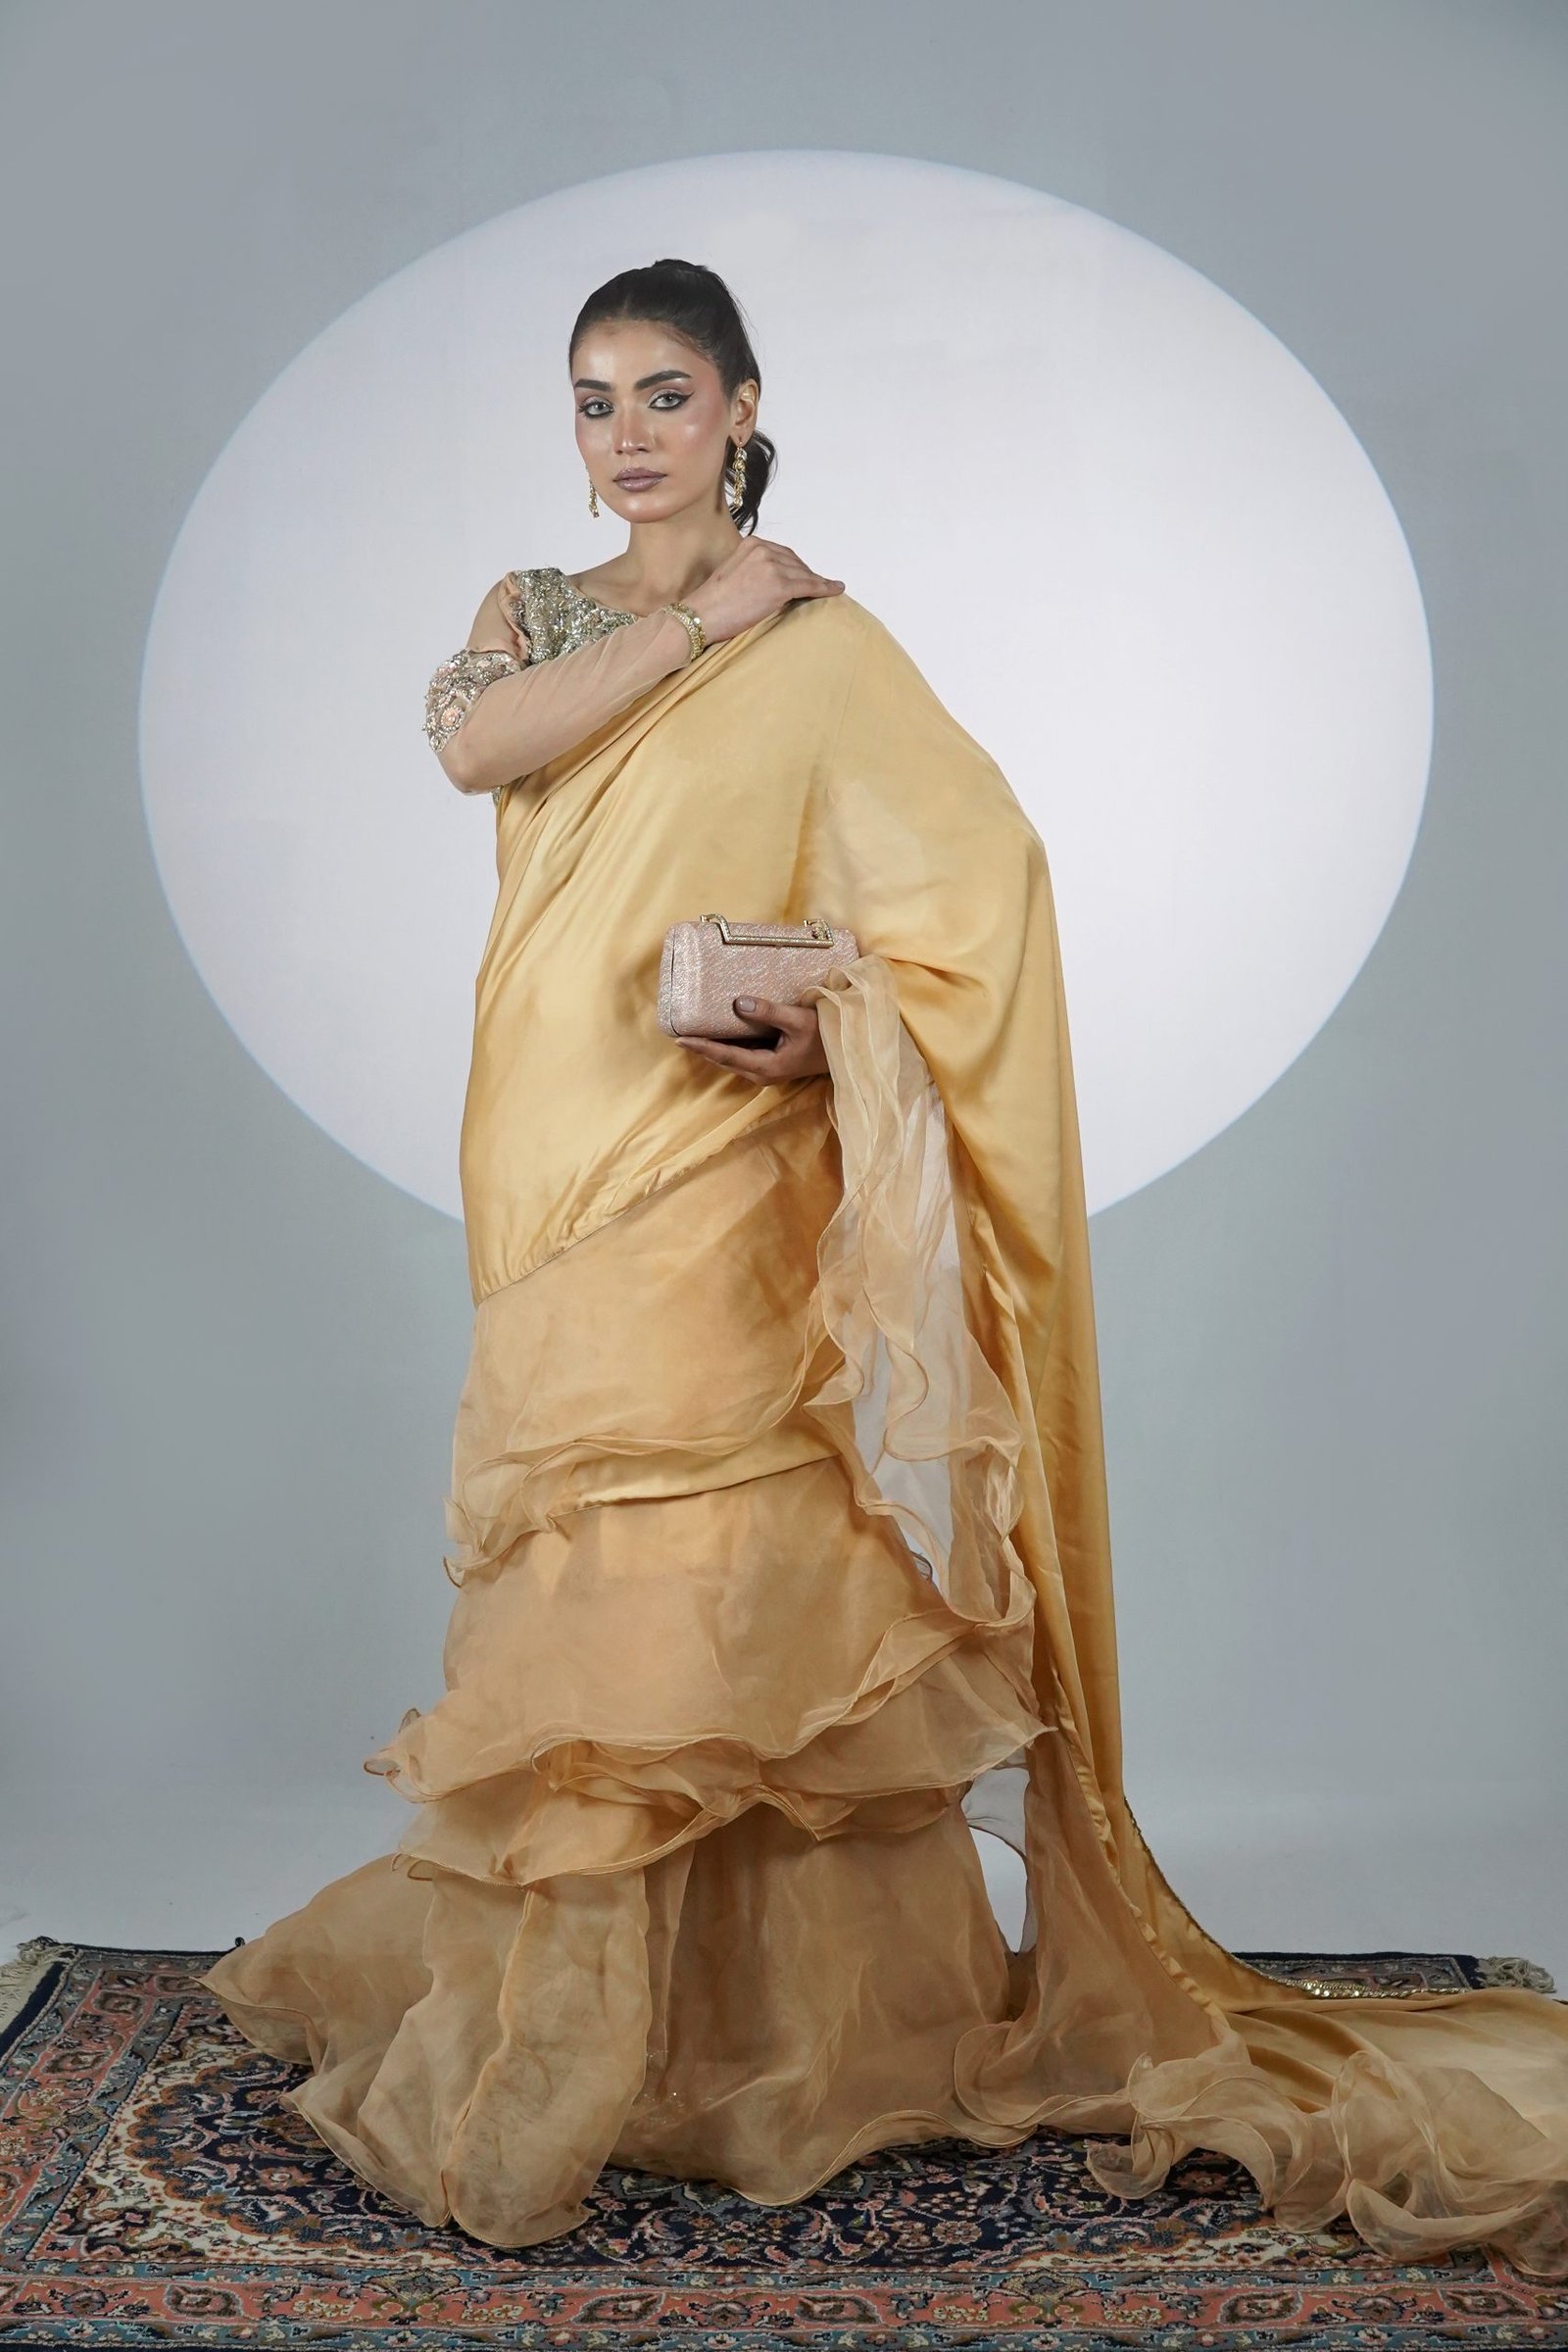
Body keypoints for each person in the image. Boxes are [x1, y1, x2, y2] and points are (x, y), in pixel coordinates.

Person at [199, 258, 1568, 2273]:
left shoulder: (830, 648)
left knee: (732, 1576)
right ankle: (612, 2041)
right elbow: (478, 753)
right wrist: (700, 615)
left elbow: (981, 892)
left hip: (730, 1152)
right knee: (587, 1572)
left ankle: (746, 2053)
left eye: (666, 393)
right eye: (593, 400)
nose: (628, 433)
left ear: (742, 405)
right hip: (547, 1140)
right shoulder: (541, 608)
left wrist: (828, 1018)